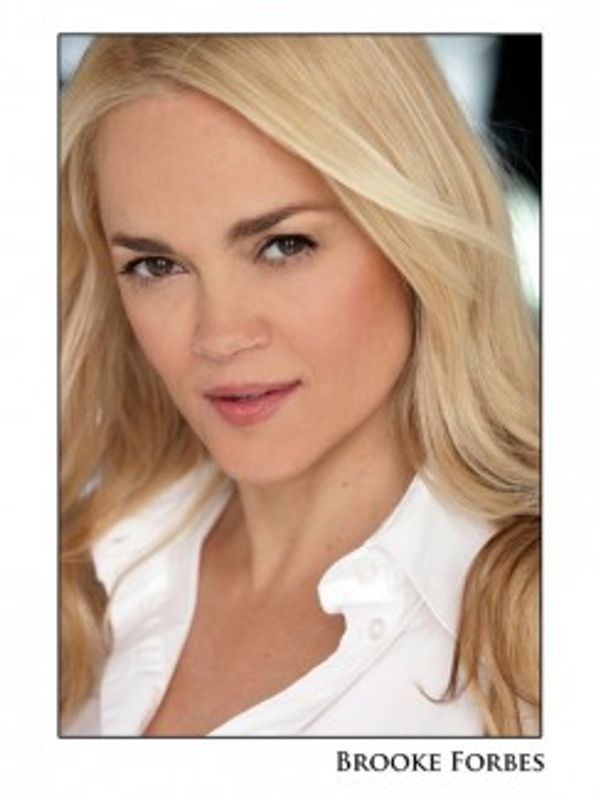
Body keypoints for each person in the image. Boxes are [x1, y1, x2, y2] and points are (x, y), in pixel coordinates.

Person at [60, 35, 540, 737]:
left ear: (416, 239)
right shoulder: (71, 586)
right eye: (156, 266)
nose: (219, 335)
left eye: (284, 245)